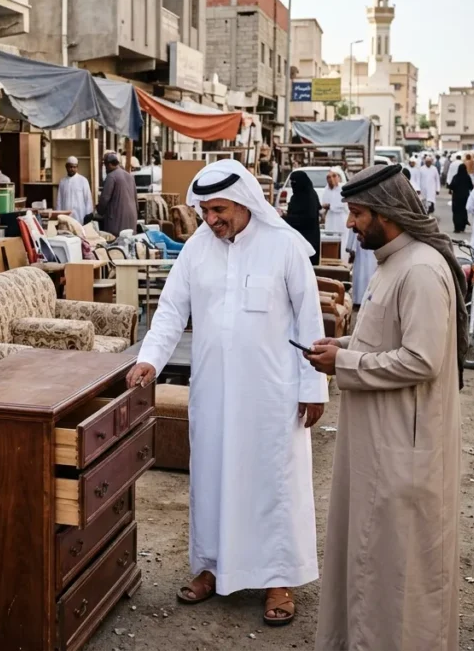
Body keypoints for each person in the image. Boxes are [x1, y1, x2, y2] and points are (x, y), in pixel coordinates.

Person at [127, 160, 327, 628]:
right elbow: (172, 310)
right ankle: (212, 568)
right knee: (213, 479)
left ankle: (278, 579)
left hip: (272, 394)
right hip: (214, 391)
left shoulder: (285, 247)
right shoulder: (197, 249)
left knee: (272, 485)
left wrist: (313, 385)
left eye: (219, 210)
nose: (211, 219)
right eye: (205, 211)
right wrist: (150, 358)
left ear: (245, 202)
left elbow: (309, 323)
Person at [305, 164, 466, 651]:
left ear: (387, 214)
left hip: (402, 453)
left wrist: (346, 361)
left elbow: (422, 359)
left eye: (357, 213)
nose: (349, 224)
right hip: (377, 446)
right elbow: (388, 337)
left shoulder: (418, 269)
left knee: (400, 575)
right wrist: (343, 346)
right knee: (369, 562)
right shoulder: (394, 263)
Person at [95, 152, 138, 237]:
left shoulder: (111, 176)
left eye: (105, 166)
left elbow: (105, 198)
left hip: (117, 219)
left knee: (115, 245)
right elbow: (136, 199)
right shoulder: (129, 176)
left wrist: (99, 210)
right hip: (132, 218)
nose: (105, 169)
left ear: (109, 164)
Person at [283, 171, 321, 265]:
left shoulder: (310, 197)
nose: (292, 185)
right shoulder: (295, 197)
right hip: (295, 240)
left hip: (309, 239)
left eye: (295, 182)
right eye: (291, 182)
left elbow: (307, 218)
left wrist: (285, 218)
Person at [344, 227, 377, 308]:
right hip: (362, 242)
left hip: (373, 241)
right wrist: (350, 246)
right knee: (362, 268)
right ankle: (359, 299)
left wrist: (350, 245)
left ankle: (366, 298)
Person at [56, 155, 93, 222]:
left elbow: (88, 199)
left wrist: (88, 214)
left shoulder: (83, 180)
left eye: (74, 167)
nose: (72, 169)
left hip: (80, 215)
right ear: (66, 167)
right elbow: (59, 200)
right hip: (66, 215)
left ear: (77, 167)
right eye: (70, 167)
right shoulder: (62, 181)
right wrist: (58, 214)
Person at [320, 168, 350, 246]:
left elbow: (343, 204)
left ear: (339, 177)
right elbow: (324, 203)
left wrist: (330, 206)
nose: (331, 179)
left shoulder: (343, 189)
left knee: (343, 240)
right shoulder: (326, 190)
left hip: (341, 219)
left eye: (334, 176)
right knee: (331, 239)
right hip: (330, 219)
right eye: (329, 177)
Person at [449, 163, 474, 234]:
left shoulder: (455, 177)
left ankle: (457, 228)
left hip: (456, 198)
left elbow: (451, 186)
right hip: (465, 197)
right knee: (463, 211)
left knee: (456, 212)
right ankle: (463, 226)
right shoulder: (467, 177)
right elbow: (471, 187)